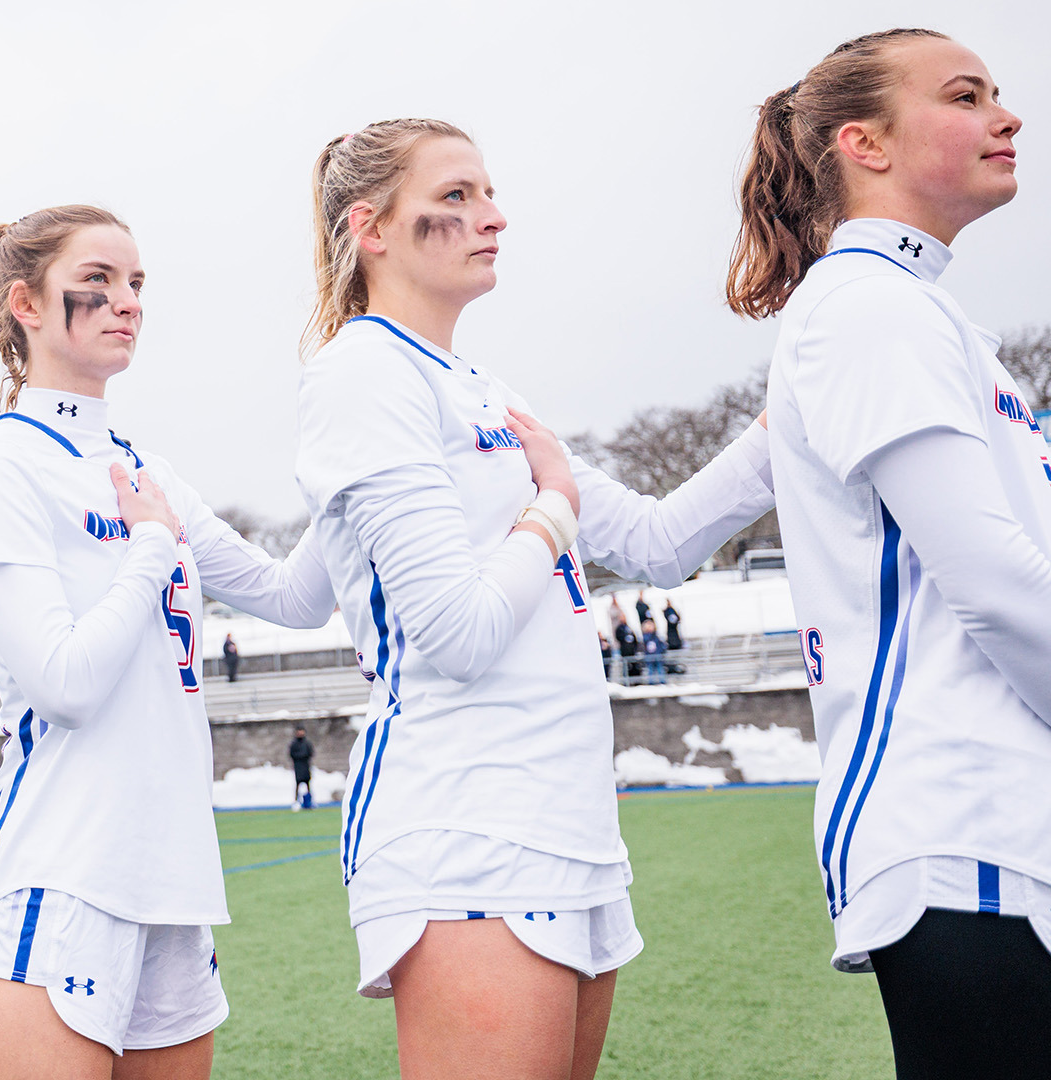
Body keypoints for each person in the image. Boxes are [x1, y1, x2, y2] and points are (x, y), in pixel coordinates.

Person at [296, 119, 776, 1079]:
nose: (494, 217)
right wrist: (552, 508)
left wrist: (786, 421)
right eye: (458, 196)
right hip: (469, 825)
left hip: (572, 825)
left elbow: (657, 543)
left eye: (489, 193)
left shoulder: (480, 387)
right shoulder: (363, 375)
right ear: (372, 226)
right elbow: (458, 632)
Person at [0, 205, 337, 1078]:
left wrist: (352, 473)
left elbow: (294, 598)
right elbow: (64, 685)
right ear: (26, 305)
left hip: (173, 880)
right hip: (61, 872)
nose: (127, 303)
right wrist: (152, 549)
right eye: (100, 282)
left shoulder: (146, 471)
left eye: (138, 284)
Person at [731, 27, 1049, 1075]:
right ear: (864, 144)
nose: (1006, 114)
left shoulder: (926, 313)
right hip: (967, 829)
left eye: (1000, 92)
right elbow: (996, 584)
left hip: (1005, 824)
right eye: (965, 95)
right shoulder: (869, 307)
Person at [289, 727, 315, 811]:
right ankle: (296, 801)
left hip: (306, 766)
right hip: (298, 767)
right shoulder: (294, 744)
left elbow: (310, 753)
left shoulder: (307, 743)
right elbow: (292, 754)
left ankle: (309, 802)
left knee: (308, 784)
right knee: (298, 784)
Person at [613, 611, 640, 684]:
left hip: (632, 651)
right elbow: (618, 637)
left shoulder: (629, 628)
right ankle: (627, 682)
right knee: (626, 667)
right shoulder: (619, 628)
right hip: (625, 651)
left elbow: (635, 639)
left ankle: (636, 682)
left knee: (634, 667)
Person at [639, 619, 666, 686]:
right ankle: (651, 682)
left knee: (660, 669)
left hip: (657, 656)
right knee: (650, 670)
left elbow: (660, 645)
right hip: (649, 657)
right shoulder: (645, 637)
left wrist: (662, 651)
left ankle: (662, 681)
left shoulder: (656, 636)